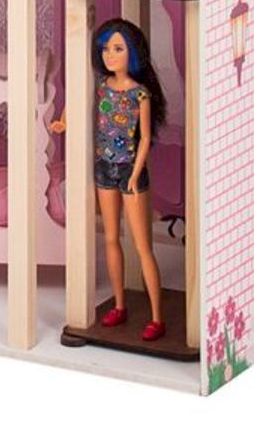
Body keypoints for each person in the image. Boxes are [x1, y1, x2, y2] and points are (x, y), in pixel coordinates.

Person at [51, 18, 169, 341]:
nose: (109, 55)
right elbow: (76, 100)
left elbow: (145, 138)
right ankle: (119, 305)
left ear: (132, 53)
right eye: (106, 49)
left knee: (142, 245)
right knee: (111, 238)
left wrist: (136, 172)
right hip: (104, 167)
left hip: (130, 170)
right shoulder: (102, 85)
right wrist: (63, 122)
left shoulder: (139, 95)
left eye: (117, 49)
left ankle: (157, 317)